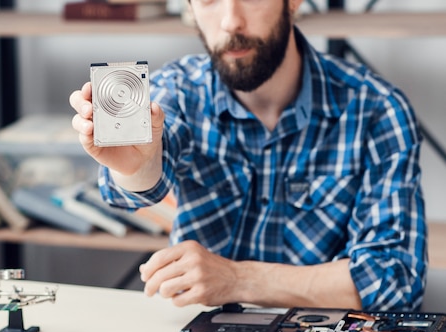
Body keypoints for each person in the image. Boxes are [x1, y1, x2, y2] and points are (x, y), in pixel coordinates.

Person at [70, 0, 427, 315]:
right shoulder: (177, 91)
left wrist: (238, 279)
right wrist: (135, 167)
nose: (230, 21)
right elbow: (138, 179)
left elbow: (395, 282)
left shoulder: (376, 109)